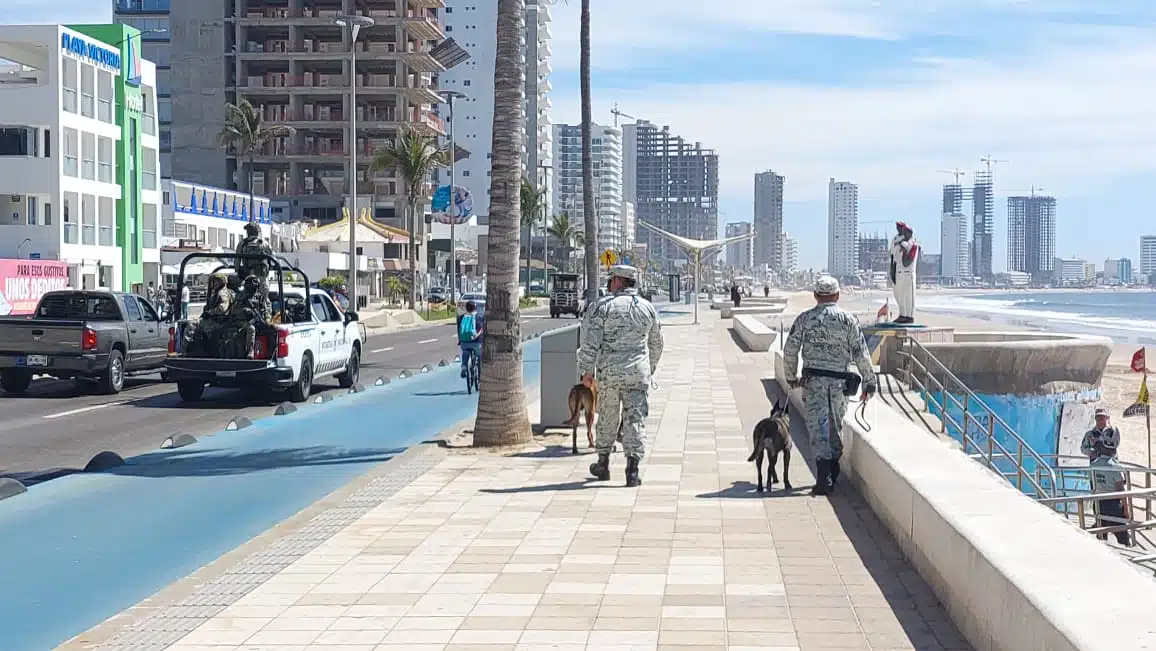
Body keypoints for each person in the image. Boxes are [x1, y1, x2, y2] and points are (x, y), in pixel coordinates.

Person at [783, 275, 878, 496]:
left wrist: (790, 377)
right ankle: (832, 472)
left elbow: (790, 350)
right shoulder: (848, 320)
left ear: (816, 296)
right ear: (837, 295)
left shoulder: (805, 319)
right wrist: (869, 382)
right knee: (835, 426)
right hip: (839, 384)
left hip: (813, 382)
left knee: (817, 428)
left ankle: (824, 476)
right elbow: (861, 353)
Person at [579, 265, 664, 488]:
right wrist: (649, 367)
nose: (609, 283)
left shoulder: (603, 307)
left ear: (618, 281)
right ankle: (632, 470)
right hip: (638, 373)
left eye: (611, 279)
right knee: (636, 418)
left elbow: (590, 343)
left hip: (610, 373)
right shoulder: (648, 308)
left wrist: (586, 372)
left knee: (607, 416)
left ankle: (603, 463)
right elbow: (656, 343)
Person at [1089, 440, 1131, 546]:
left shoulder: (1093, 465)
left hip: (1098, 504)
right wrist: (1126, 510)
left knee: (1101, 535)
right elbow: (1121, 491)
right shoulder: (1115, 467)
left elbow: (1092, 484)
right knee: (1123, 537)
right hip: (1113, 505)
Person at [888, 221, 920, 324]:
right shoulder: (897, 240)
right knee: (899, 295)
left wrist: (904, 249)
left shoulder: (913, 244)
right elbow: (893, 257)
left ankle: (909, 316)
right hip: (898, 272)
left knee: (909, 296)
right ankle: (902, 314)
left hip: (908, 273)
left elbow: (907, 262)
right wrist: (892, 270)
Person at [458, 300, 483, 378]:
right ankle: (480, 374)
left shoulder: (462, 317)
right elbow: (482, 329)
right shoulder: (479, 316)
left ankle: (464, 366)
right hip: (476, 342)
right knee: (480, 356)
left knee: (465, 352)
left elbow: (459, 329)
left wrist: (460, 340)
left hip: (464, 342)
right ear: (475, 308)